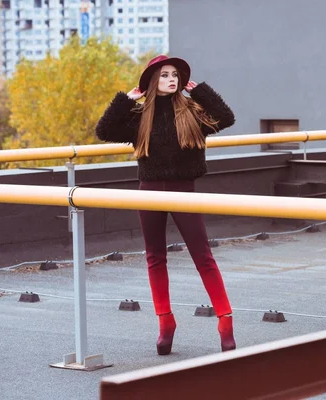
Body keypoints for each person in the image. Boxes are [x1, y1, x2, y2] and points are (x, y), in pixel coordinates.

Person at [95, 54, 236, 355]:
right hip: (148, 192)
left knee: (203, 256)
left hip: (184, 190)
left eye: (175, 75)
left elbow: (226, 118)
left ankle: (225, 322)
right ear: (151, 81)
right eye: (164, 75)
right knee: (155, 257)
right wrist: (127, 98)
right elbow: (104, 131)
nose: (172, 79)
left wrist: (201, 92)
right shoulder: (139, 119)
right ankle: (165, 323)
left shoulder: (192, 112)